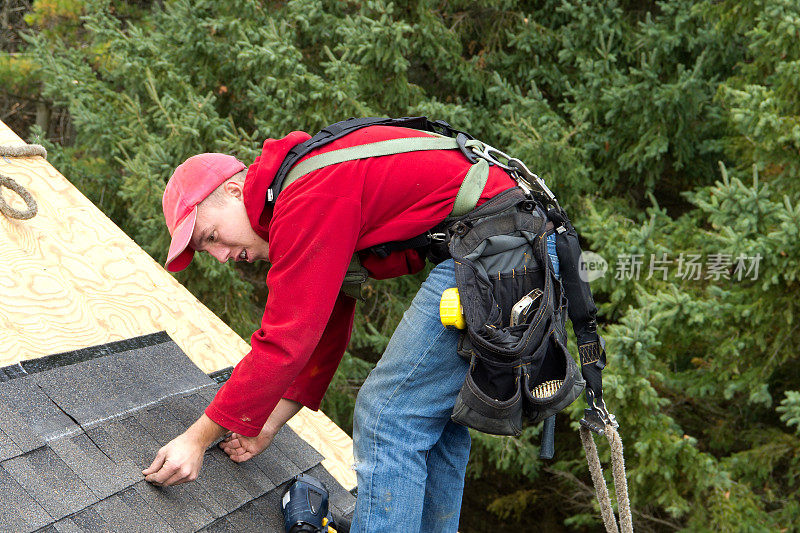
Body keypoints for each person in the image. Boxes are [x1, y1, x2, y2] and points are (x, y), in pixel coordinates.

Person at [142, 123, 552, 532]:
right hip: (514, 242)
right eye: (205, 250)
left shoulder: (305, 195)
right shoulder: (305, 189)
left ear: (234, 191)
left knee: (385, 415)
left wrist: (194, 440)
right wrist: (268, 422)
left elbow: (285, 343)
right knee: (430, 424)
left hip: (502, 245)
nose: (219, 256)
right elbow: (321, 334)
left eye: (211, 236)